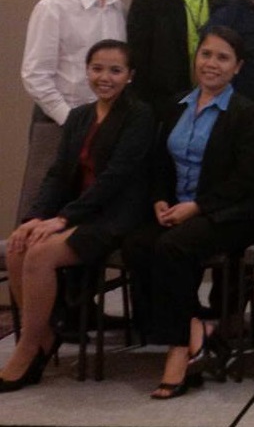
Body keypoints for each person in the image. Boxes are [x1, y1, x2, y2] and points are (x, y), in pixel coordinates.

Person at [0, 40, 154, 393]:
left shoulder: (139, 116)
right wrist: (35, 217)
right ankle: (45, 335)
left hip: (115, 217)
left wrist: (62, 220)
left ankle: (28, 347)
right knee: (19, 246)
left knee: (39, 256)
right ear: (86, 71)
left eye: (115, 70)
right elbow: (57, 175)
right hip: (76, 213)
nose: (105, 77)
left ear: (130, 76)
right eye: (97, 68)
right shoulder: (79, 116)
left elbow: (116, 178)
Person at [121, 26, 254, 399]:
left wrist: (197, 207)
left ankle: (178, 349)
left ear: (237, 67)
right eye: (206, 55)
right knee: (137, 243)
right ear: (195, 58)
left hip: (229, 214)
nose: (212, 64)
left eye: (222, 58)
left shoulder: (247, 113)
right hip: (177, 209)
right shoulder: (175, 106)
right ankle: (196, 328)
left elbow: (246, 180)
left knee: (173, 246)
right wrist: (159, 199)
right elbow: (158, 165)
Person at [19, 0, 126, 228]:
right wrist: (74, 122)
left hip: (104, 129)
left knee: (84, 221)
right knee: (40, 217)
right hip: (57, 124)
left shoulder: (120, 10)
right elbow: (35, 75)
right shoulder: (54, 6)